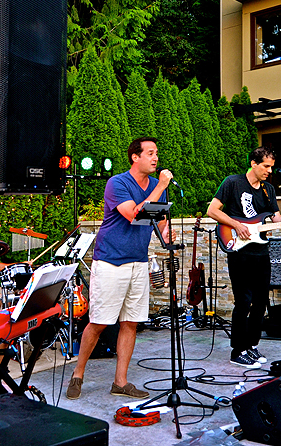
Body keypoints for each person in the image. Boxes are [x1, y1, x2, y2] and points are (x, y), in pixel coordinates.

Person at [66, 137, 173, 400]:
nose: (155, 158)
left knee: (130, 323)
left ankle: (120, 382)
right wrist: (161, 185)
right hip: (111, 261)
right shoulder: (118, 183)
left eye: (156, 153)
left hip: (138, 261)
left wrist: (165, 231)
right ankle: (78, 374)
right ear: (135, 157)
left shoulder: (157, 186)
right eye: (150, 153)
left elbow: (158, 218)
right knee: (99, 322)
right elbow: (135, 214)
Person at [207, 146, 281, 368]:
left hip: (261, 251)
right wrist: (236, 224)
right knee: (243, 301)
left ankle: (251, 345)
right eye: (266, 166)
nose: (269, 171)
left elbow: (276, 219)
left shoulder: (268, 189)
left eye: (271, 167)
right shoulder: (232, 183)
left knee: (260, 301)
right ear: (253, 163)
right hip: (239, 250)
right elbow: (213, 210)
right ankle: (238, 350)